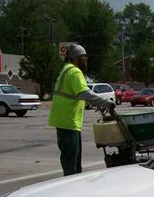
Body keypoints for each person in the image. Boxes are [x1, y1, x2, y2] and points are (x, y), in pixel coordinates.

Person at [48, 44, 114, 175]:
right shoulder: (74, 71)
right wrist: (106, 102)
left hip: (65, 122)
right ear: (76, 58)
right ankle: (71, 190)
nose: (86, 59)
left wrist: (98, 104)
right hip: (68, 123)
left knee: (73, 162)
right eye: (84, 56)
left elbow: (78, 94)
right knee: (71, 166)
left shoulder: (65, 69)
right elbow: (85, 93)